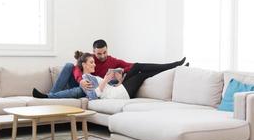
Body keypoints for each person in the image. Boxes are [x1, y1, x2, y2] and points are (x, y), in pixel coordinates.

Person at [33, 51, 186, 99]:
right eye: (92, 62)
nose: (95, 63)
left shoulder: (104, 67)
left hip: (117, 89)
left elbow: (105, 88)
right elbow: (93, 97)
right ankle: (50, 96)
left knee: (139, 68)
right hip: (117, 93)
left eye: (95, 61)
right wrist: (105, 80)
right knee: (141, 74)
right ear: (85, 64)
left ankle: (173, 66)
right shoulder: (86, 76)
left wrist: (118, 78)